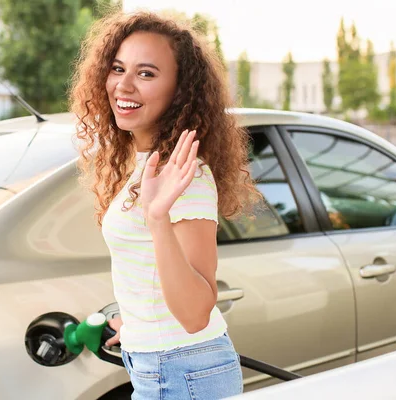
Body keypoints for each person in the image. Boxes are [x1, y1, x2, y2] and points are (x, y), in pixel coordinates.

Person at [70, 10, 260, 400]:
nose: (123, 86)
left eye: (146, 73)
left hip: (184, 370)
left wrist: (157, 218)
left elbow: (194, 314)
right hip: (160, 364)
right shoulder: (142, 162)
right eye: (118, 68)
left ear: (180, 90)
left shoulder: (186, 178)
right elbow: (148, 271)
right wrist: (137, 323)